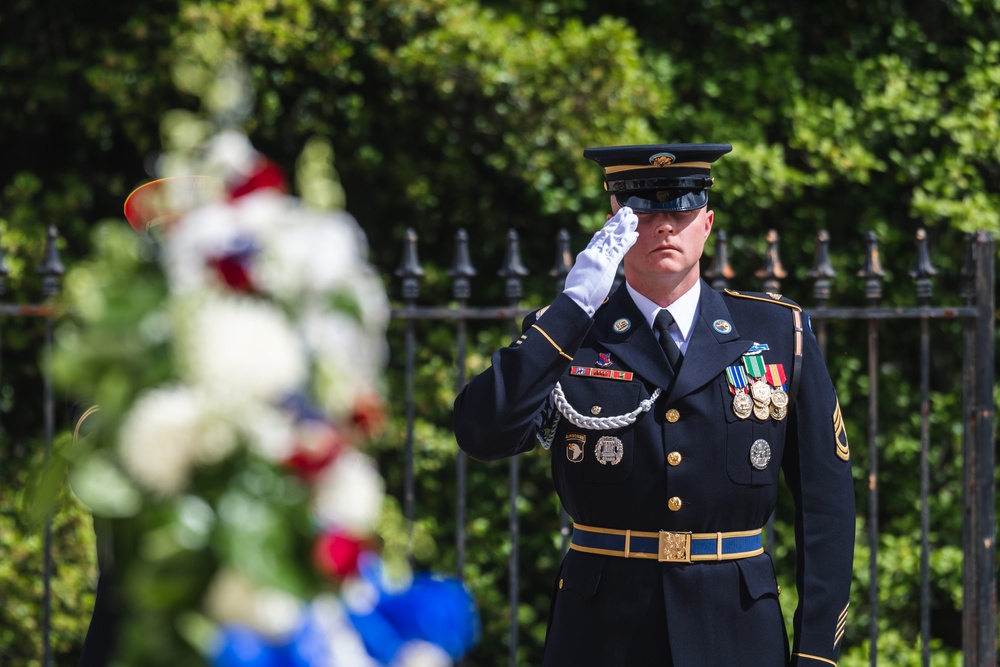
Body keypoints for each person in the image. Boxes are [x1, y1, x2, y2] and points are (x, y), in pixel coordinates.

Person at [453, 143, 855, 666]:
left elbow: (827, 502)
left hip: (734, 630)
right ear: (614, 224)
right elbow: (482, 434)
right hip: (600, 634)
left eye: (682, 208)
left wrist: (817, 652)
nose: (664, 225)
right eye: (642, 210)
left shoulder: (778, 331)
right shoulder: (570, 332)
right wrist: (572, 309)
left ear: (707, 223)